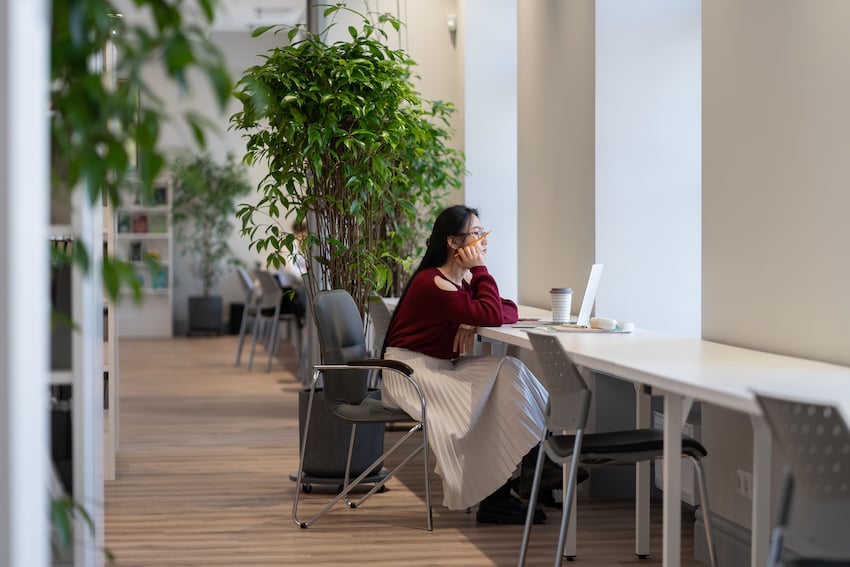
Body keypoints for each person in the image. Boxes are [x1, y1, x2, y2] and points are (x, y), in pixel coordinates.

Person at [381, 205, 551, 524]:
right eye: (476, 234)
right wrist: (479, 286)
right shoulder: (434, 282)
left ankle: (533, 463)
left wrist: (468, 321)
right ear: (453, 243)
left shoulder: (456, 280)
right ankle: (526, 474)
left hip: (436, 367)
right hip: (412, 373)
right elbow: (490, 313)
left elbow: (506, 309)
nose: (483, 240)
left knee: (507, 371)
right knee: (494, 392)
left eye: (483, 233)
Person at [276, 221, 308, 326]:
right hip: (287, 296)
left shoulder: (299, 246)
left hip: (290, 292)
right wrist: (304, 275)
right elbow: (289, 269)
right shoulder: (289, 246)